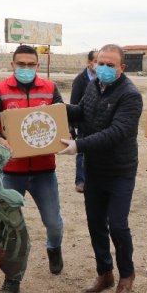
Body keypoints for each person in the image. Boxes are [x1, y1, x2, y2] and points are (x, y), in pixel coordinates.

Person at [0, 44, 65, 293]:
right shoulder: (0, 89)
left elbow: (62, 117)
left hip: (44, 170)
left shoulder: (50, 89)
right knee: (9, 228)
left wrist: (66, 134)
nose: (26, 69)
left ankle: (54, 248)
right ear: (12, 65)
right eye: (21, 64)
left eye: (31, 64)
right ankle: (12, 278)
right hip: (12, 171)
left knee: (53, 222)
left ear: (38, 66)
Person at [60, 44, 143, 293]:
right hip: (94, 168)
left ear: (121, 68)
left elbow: (116, 133)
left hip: (120, 170)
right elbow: (81, 112)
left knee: (117, 225)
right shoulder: (93, 86)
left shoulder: (130, 95)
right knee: (95, 223)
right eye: (100, 63)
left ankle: (126, 274)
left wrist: (79, 145)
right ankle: (104, 273)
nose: (104, 68)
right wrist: (56, 109)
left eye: (110, 65)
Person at [69, 50, 98, 193]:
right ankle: (80, 181)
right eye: (97, 61)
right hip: (84, 124)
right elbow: (74, 104)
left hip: (99, 124)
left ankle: (93, 180)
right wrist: (72, 127)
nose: (99, 65)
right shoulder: (80, 80)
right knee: (81, 152)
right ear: (89, 62)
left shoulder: (103, 79)